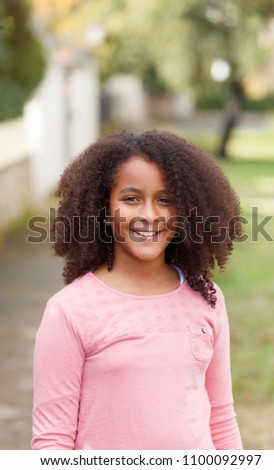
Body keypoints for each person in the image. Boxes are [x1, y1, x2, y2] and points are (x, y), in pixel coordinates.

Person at [32, 130, 243, 450]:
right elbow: (52, 441)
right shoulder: (71, 310)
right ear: (103, 210)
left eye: (165, 199)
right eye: (131, 198)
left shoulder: (206, 299)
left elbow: (221, 419)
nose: (149, 214)